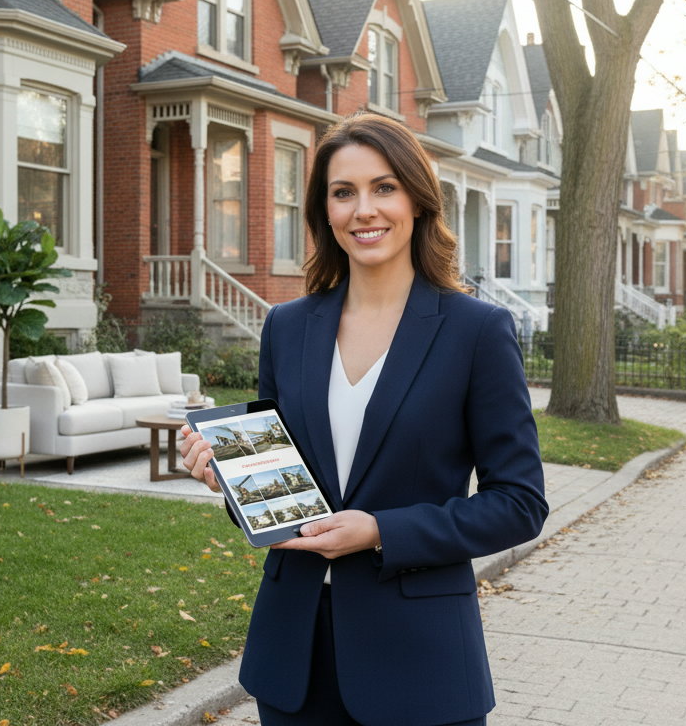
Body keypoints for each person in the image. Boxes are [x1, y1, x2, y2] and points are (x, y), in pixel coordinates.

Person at [178, 112, 549, 726]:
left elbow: (518, 503)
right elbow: (281, 491)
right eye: (343, 192)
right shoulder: (288, 326)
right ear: (325, 212)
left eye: (384, 187)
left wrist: (379, 530)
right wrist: (229, 479)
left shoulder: (477, 332)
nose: (364, 210)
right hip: (292, 659)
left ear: (417, 199)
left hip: (420, 664)